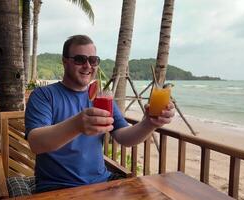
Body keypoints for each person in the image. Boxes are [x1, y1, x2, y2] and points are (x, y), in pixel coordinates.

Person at [25, 34, 175, 193]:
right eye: (80, 59)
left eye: (93, 60)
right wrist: (76, 125)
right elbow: (36, 143)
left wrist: (149, 123)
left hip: (101, 183)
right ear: (65, 61)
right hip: (57, 188)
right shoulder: (44, 95)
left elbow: (125, 137)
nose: (88, 65)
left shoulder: (101, 98)